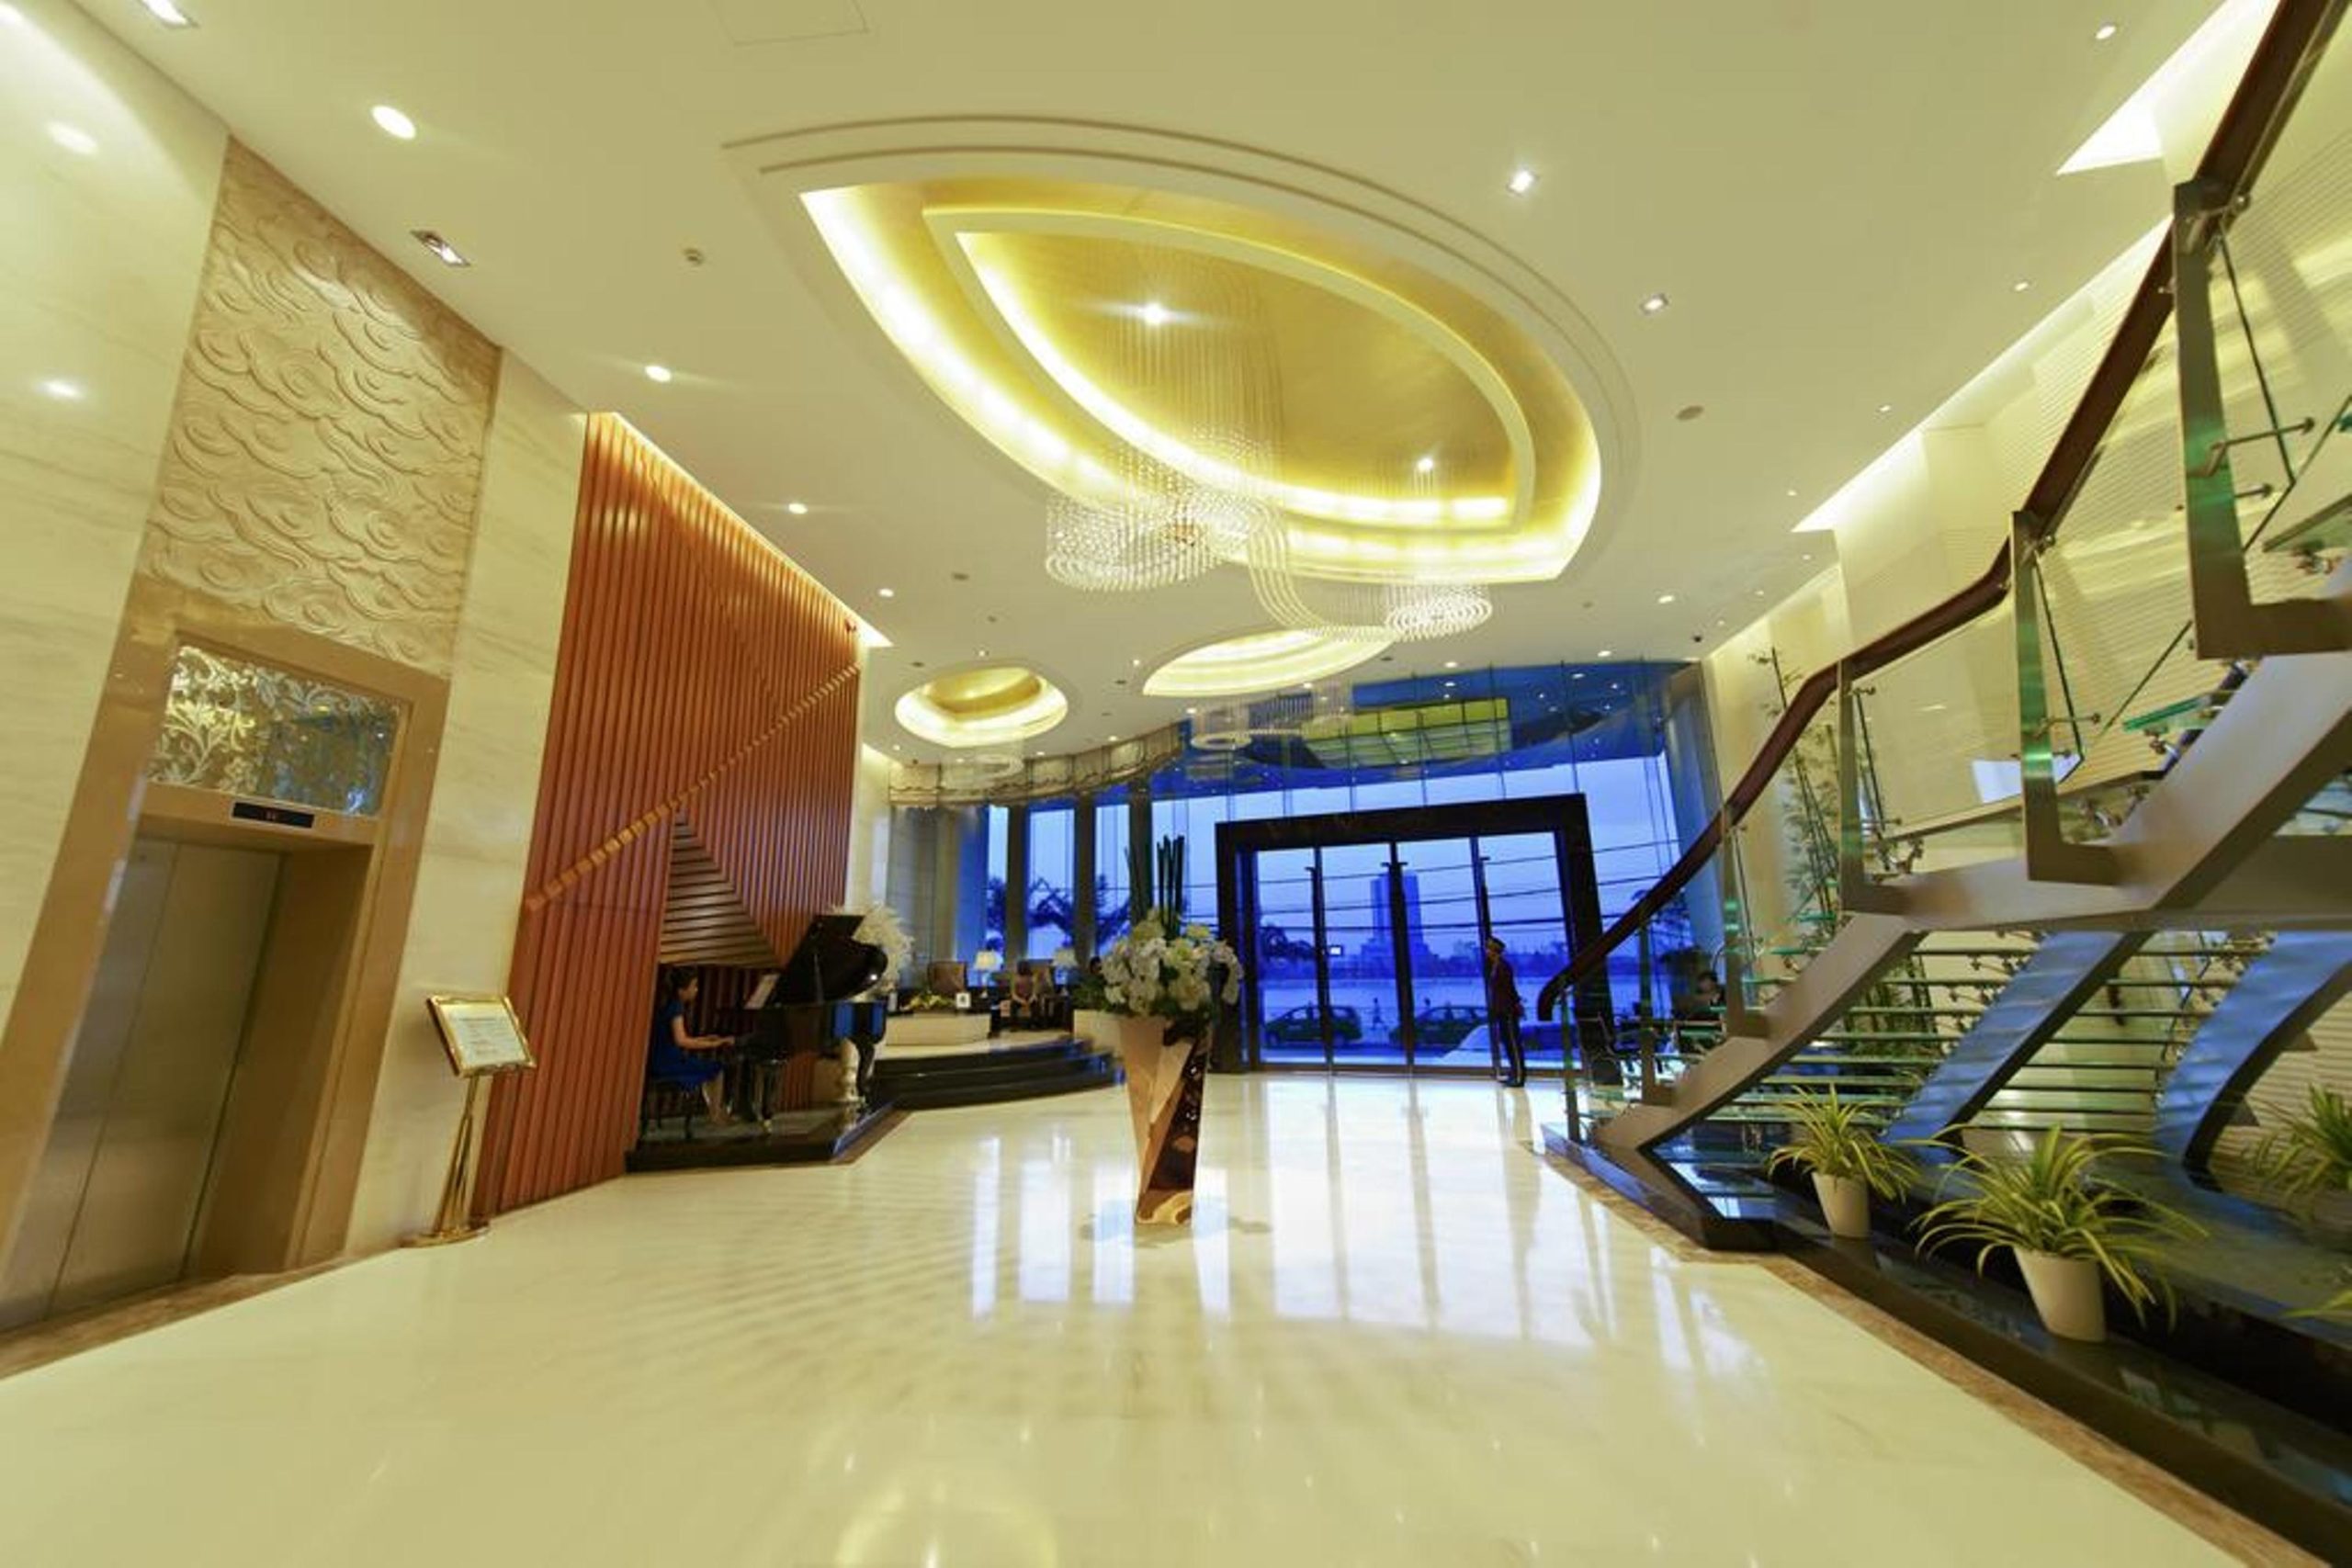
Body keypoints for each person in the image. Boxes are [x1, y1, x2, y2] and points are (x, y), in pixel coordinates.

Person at [647, 967, 734, 1124]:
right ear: (681, 990)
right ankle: (715, 1115)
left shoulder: (668, 1005)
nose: (696, 990)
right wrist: (714, 1044)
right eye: (693, 986)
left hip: (662, 1060)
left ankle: (715, 1112)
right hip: (668, 1063)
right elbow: (681, 1041)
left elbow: (679, 1037)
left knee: (710, 1068)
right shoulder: (676, 1008)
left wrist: (705, 1039)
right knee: (717, 1069)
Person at [1484, 937, 1526, 1088]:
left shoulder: (1503, 966)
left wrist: (1517, 1003)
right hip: (1501, 1010)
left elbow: (1510, 989)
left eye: (1488, 948)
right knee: (1508, 1043)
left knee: (1513, 1044)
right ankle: (1513, 1073)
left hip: (1508, 1010)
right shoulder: (1495, 966)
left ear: (1494, 950)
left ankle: (1519, 1076)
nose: (1486, 951)